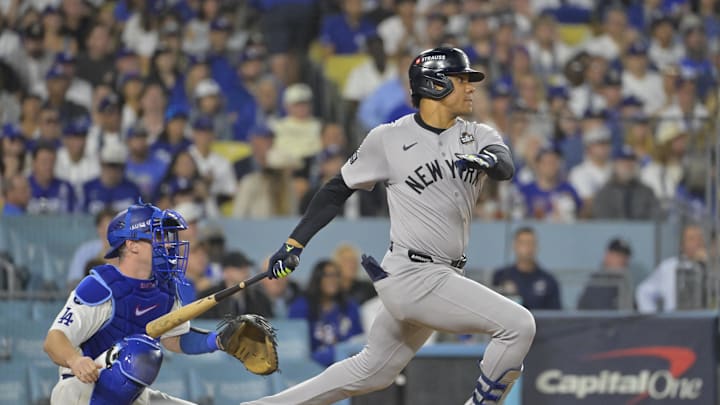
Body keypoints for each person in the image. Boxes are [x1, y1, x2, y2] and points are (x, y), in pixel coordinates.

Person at [243, 47, 534, 405]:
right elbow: (336, 190)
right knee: (519, 326)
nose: (470, 87)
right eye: (462, 80)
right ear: (435, 84)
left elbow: (505, 166)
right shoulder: (389, 138)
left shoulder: (478, 134)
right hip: (413, 274)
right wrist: (294, 243)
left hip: (442, 275)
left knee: (371, 371)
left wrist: (487, 160)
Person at [43, 201, 228, 404]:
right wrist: (75, 360)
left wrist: (219, 340)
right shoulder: (101, 285)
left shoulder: (164, 289)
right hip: (83, 388)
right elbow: (54, 340)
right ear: (132, 245)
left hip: (130, 395)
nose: (167, 244)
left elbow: (174, 339)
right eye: (157, 236)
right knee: (138, 353)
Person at [288, 259, 364, 367]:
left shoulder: (349, 306)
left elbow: (358, 339)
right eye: (328, 275)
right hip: (311, 365)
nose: (333, 280)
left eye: (336, 275)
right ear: (318, 278)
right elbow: (296, 347)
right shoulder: (302, 305)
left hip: (347, 363)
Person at [636, 223, 708, 313]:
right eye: (691, 239)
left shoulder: (712, 267)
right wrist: (652, 321)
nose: (697, 243)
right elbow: (643, 292)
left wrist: (705, 264)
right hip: (675, 319)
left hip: (705, 321)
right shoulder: (669, 266)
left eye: (700, 238)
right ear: (682, 244)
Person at [492, 227, 562, 310]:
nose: (528, 247)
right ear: (514, 246)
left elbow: (556, 316)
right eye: (523, 243)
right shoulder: (501, 276)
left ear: (537, 246)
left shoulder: (549, 281)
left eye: (531, 243)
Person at [199, 251, 274, 319]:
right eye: (239, 267)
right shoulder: (209, 298)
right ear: (226, 271)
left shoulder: (260, 299)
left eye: (246, 267)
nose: (245, 271)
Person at [577, 238, 634, 310]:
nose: (622, 260)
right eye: (618, 255)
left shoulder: (626, 282)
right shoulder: (598, 282)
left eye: (625, 257)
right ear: (608, 256)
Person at [66, 209, 116, 289]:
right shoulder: (85, 251)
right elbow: (73, 282)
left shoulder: (126, 252)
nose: (107, 231)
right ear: (98, 228)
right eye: (104, 226)